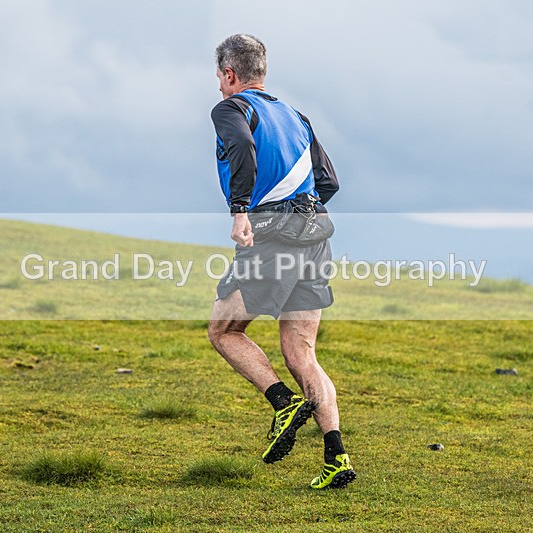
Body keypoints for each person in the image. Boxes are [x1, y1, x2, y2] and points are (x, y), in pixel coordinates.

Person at [207, 34, 355, 490]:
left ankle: (283, 403)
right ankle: (337, 458)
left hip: (272, 239)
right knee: (302, 353)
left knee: (223, 330)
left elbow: (243, 153)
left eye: (219, 77)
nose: (218, 86)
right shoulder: (296, 115)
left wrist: (242, 211)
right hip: (316, 237)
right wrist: (298, 208)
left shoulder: (231, 110)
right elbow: (327, 180)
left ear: (230, 75)